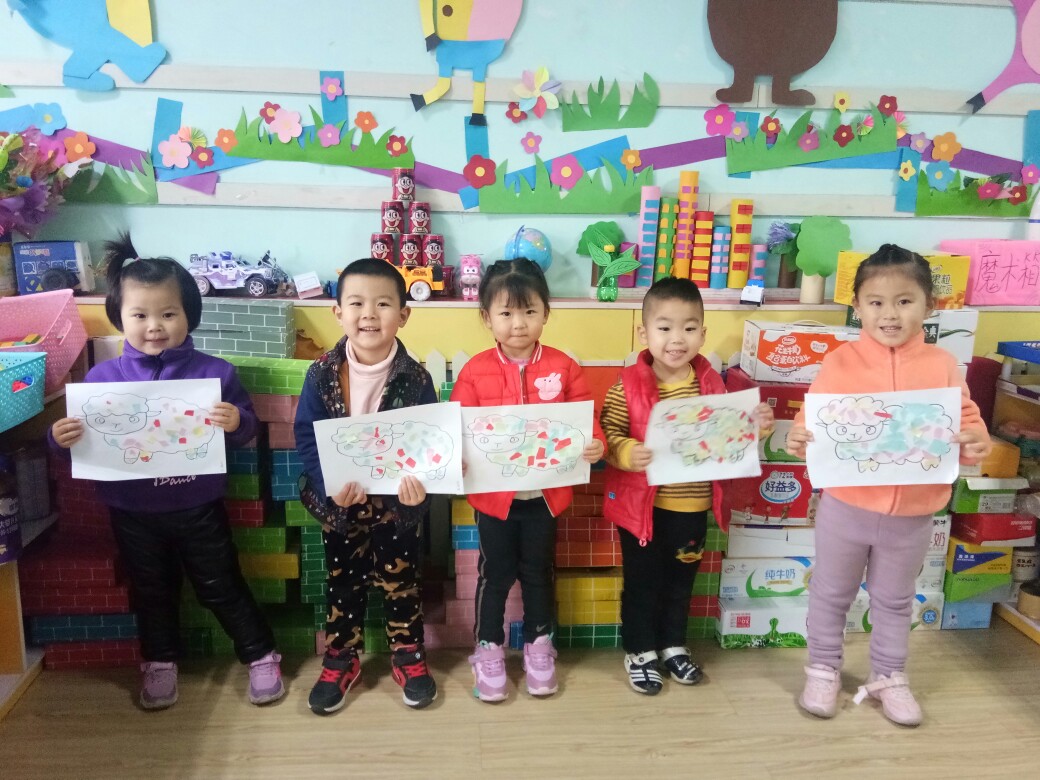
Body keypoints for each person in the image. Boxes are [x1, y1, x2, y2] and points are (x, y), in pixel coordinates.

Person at [50, 234, 282, 711]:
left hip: (198, 506)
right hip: (131, 511)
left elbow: (245, 431)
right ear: (120, 318)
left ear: (189, 315)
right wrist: (58, 438)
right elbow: (77, 449)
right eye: (140, 315)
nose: (154, 326)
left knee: (221, 586)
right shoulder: (100, 381)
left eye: (168, 314)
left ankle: (260, 655)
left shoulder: (215, 373)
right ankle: (159, 662)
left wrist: (236, 422)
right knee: (152, 592)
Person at [786, 244, 991, 727]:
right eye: (876, 302)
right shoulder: (840, 362)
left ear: (929, 306)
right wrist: (800, 435)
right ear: (857, 307)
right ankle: (822, 669)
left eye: (904, 301)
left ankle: (889, 675)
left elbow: (964, 419)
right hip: (847, 506)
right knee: (831, 593)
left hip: (914, 512)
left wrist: (975, 441)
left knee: (896, 599)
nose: (890, 314)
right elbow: (815, 415)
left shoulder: (943, 364)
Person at [600, 277, 774, 694]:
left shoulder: (713, 385)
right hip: (643, 513)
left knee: (681, 584)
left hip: (693, 510)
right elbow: (607, 434)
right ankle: (640, 650)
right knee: (642, 585)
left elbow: (731, 435)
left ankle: (672, 645)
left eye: (689, 328)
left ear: (703, 334)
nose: (677, 339)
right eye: (665, 328)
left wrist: (758, 427)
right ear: (644, 333)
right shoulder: (627, 387)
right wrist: (626, 451)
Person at [451, 258, 606, 702]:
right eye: (506, 313)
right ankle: (488, 648)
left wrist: (595, 444)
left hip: (545, 496)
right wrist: (456, 457)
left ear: (546, 313)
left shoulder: (564, 366)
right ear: (487, 318)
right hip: (494, 500)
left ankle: (540, 646)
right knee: (495, 574)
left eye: (529, 311)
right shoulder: (474, 371)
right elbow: (458, 430)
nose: (518, 323)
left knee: (539, 573)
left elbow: (587, 422)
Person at [295, 258, 438, 715]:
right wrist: (328, 484)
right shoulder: (321, 373)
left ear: (404, 314)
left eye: (383, 304)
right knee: (343, 582)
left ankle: (408, 654)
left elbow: (429, 442)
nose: (369, 314)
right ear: (338, 312)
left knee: (402, 582)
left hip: (397, 506)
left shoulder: (417, 379)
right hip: (342, 504)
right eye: (356, 303)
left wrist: (421, 486)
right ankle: (341, 657)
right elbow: (307, 436)